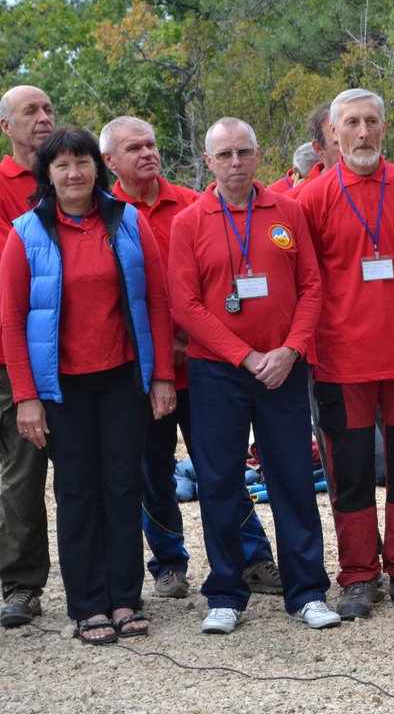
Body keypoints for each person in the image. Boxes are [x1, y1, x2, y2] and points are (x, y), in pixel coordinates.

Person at [0, 127, 175, 643]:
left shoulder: (128, 222)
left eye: (81, 163)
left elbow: (158, 304)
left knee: (122, 489)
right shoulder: (26, 232)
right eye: (61, 166)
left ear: (97, 168)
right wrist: (27, 397)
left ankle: (124, 598)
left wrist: (162, 374)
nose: (73, 174)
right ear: (47, 176)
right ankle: (88, 605)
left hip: (123, 380)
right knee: (77, 492)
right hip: (61, 390)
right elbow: (11, 322)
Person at [101, 116, 284, 599]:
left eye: (152, 144)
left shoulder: (192, 205)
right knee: (152, 469)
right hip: (142, 369)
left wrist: (196, 343)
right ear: (109, 162)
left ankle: (253, 558)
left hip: (206, 362)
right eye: (134, 147)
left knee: (218, 467)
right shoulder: (104, 215)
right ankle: (168, 562)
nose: (147, 153)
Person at [169, 117, 340, 633]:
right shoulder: (190, 222)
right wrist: (245, 356)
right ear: (209, 162)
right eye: (225, 155)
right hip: (218, 372)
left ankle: (307, 590)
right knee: (220, 482)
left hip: (285, 368)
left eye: (244, 152)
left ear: (259, 155)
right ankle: (225, 593)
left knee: (291, 478)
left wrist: (290, 350)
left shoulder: (287, 211)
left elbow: (312, 286)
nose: (236, 163)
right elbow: (185, 304)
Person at [297, 89, 394, 618]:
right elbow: (304, 284)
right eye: (351, 124)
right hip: (341, 362)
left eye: (371, 122)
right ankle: (359, 576)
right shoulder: (310, 200)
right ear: (332, 134)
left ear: (385, 127)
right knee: (351, 474)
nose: (363, 133)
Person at [0, 85, 54, 628]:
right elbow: (16, 268)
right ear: (6, 127)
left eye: (47, 110)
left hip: (79, 353)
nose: (42, 119)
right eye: (30, 112)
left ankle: (108, 577)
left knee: (93, 470)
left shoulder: (69, 172)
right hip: (13, 355)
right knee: (22, 471)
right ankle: (20, 583)